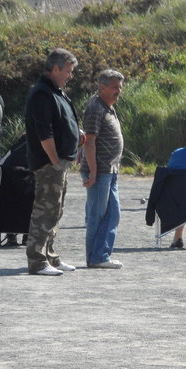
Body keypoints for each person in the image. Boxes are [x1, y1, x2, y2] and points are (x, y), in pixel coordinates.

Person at [24, 48, 82, 276]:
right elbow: (44, 133)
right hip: (49, 164)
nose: (70, 76)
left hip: (59, 163)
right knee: (44, 212)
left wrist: (77, 135)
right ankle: (37, 262)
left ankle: (50, 257)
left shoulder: (56, 91)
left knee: (55, 211)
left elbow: (61, 122)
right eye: (68, 71)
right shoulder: (42, 93)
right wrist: (55, 160)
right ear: (55, 68)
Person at [81, 69, 125, 269]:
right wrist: (93, 170)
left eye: (120, 86)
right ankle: (96, 257)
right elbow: (89, 141)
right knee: (96, 216)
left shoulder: (108, 106)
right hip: (100, 171)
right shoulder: (96, 108)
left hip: (110, 170)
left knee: (113, 214)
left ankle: (101, 255)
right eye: (115, 87)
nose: (119, 90)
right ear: (103, 87)